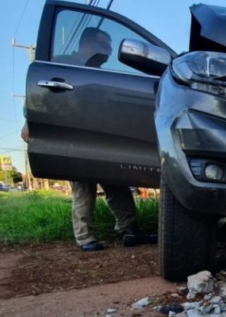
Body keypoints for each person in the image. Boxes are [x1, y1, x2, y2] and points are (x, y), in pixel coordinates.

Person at [22, 27, 157, 252]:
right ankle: (85, 238)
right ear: (87, 44)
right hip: (75, 135)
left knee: (117, 183)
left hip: (103, 137)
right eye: (105, 45)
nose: (109, 51)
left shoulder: (100, 74)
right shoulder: (66, 65)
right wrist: (29, 121)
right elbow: (39, 95)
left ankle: (130, 230)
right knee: (83, 186)